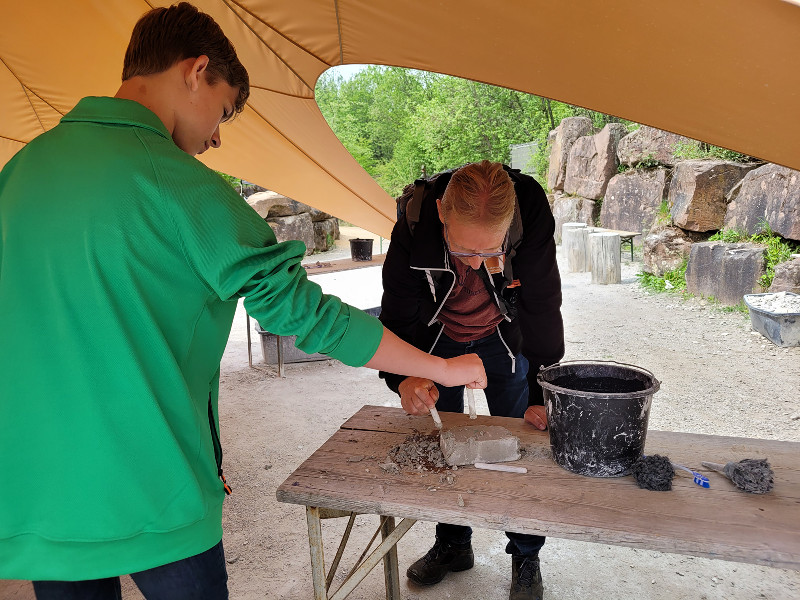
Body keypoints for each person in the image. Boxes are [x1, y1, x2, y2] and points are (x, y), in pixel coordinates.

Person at [0, 4, 486, 599]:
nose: (216, 137)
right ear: (196, 69)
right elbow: (305, 314)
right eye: (224, 110)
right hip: (156, 490)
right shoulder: (182, 187)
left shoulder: (20, 170)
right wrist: (442, 367)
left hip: (42, 498)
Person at [379, 160, 565, 600]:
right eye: (465, 252)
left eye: (492, 252)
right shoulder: (416, 216)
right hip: (437, 340)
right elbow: (397, 310)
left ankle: (525, 554)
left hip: (503, 338)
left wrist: (542, 394)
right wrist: (403, 377)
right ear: (442, 212)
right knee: (446, 447)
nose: (479, 264)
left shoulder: (529, 210)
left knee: (515, 445)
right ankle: (453, 543)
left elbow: (542, 304)